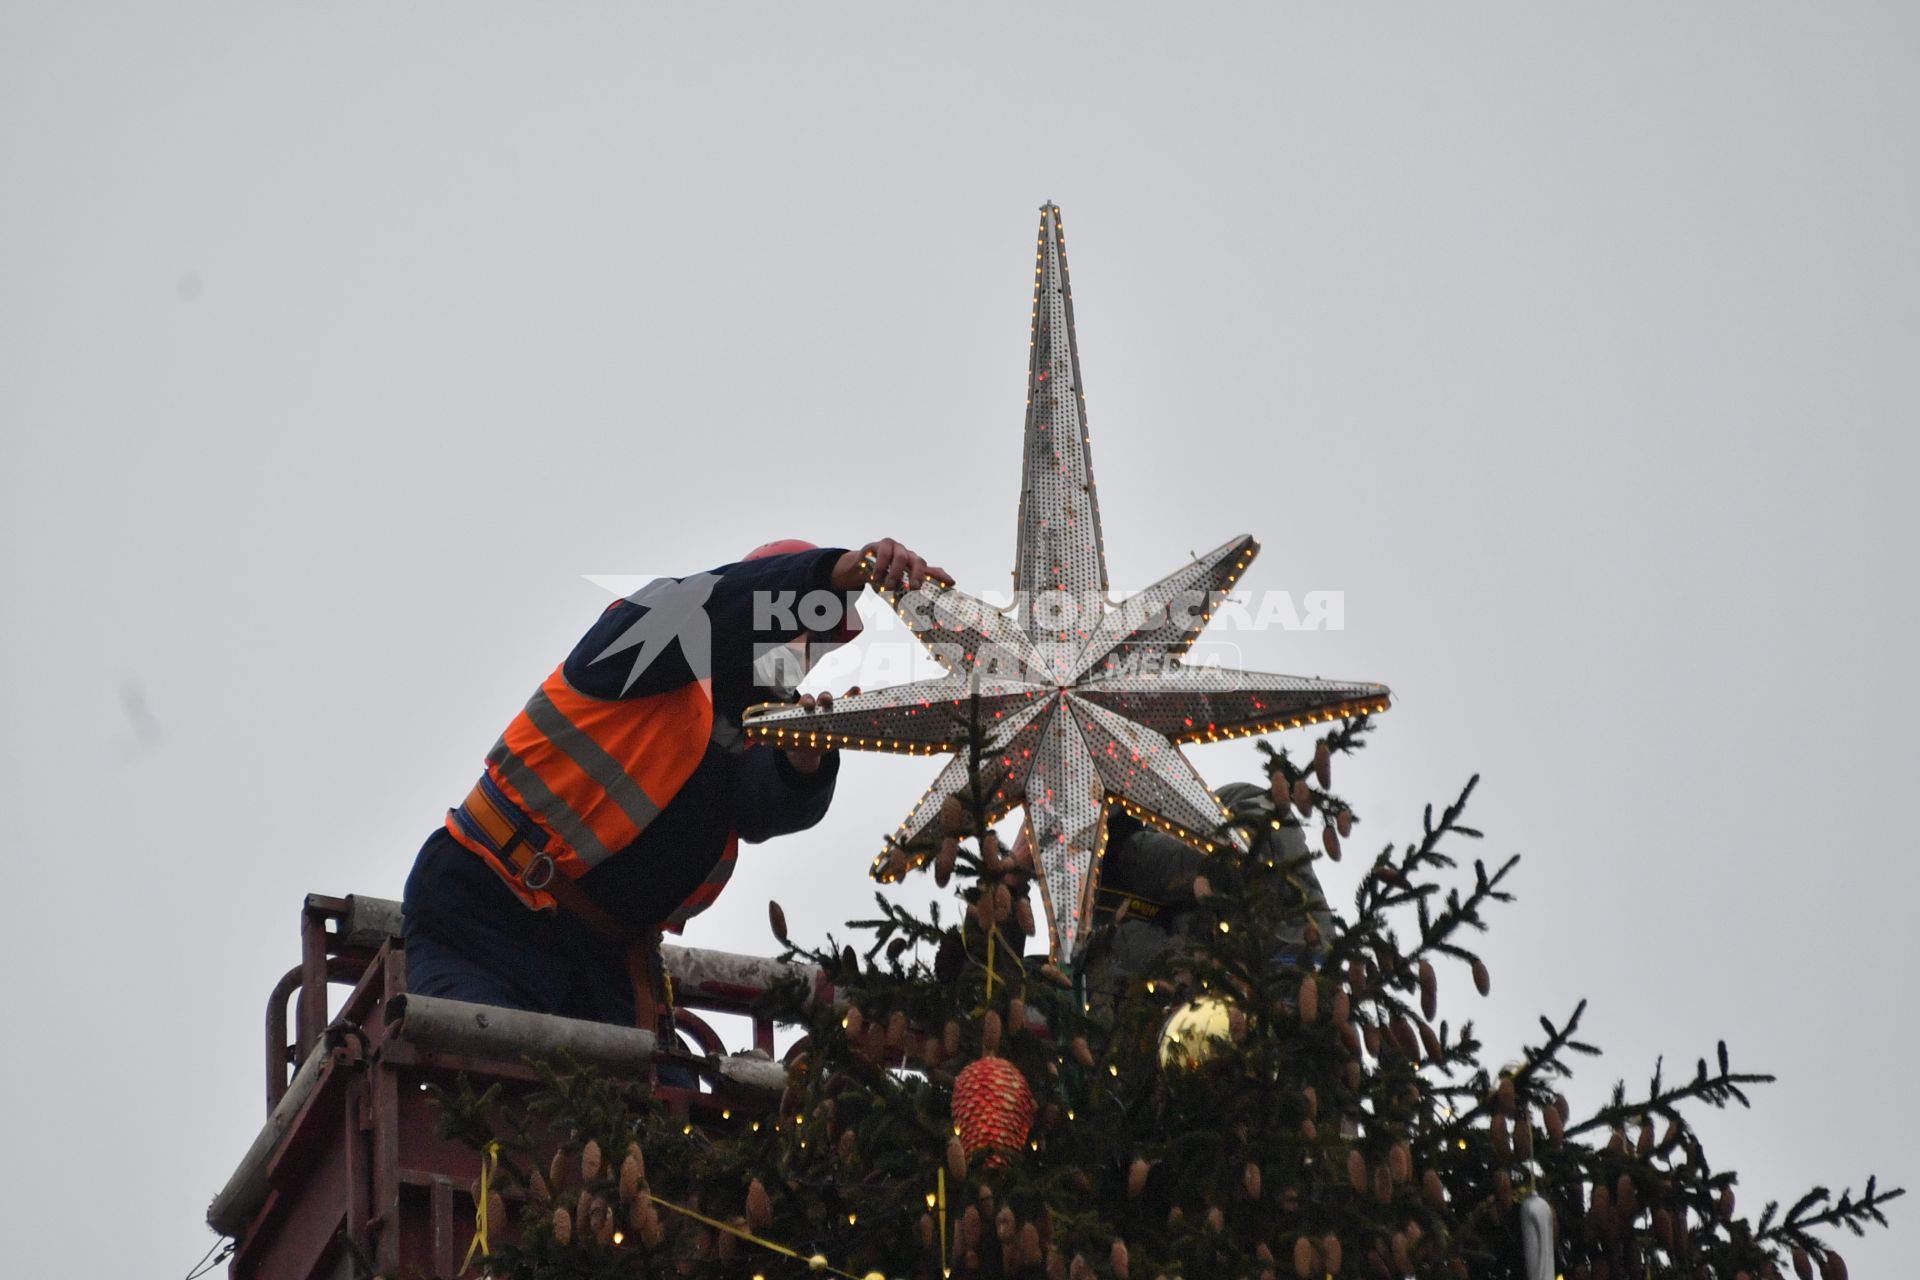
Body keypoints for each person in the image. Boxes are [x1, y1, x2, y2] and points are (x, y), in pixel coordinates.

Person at [401, 537, 951, 1037]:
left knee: (655, 1131)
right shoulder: (647, 634)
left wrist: (800, 766)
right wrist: (832, 573)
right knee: (485, 1086)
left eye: (820, 643)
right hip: (484, 915)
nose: (803, 653)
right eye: (805, 625)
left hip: (603, 967)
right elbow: (721, 609)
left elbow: (761, 804)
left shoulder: (747, 728)